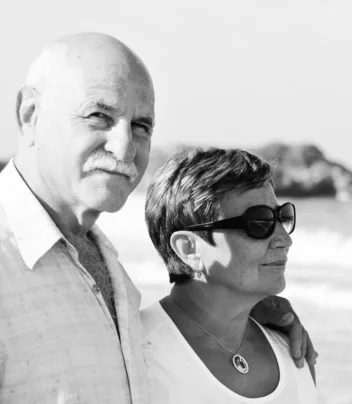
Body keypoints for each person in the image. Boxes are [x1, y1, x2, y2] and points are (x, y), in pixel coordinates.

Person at [0, 33, 315, 404]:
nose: (124, 147)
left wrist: (244, 305)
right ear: (30, 115)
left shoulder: (108, 271)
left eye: (141, 125)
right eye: (98, 115)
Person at [141, 147, 318, 403]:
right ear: (189, 248)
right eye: (259, 222)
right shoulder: (134, 354)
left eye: (283, 217)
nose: (283, 241)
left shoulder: (294, 354)